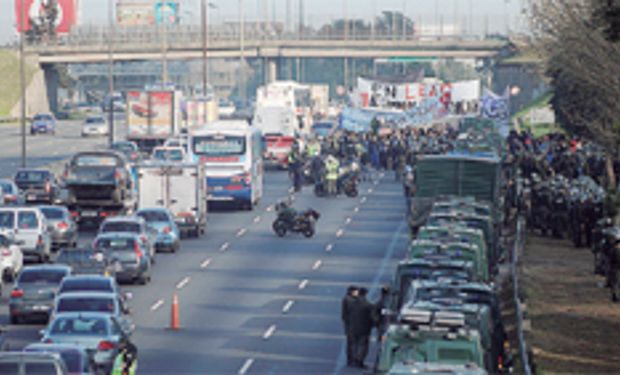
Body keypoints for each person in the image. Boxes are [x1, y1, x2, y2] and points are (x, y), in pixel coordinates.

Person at [348, 287, 374, 368]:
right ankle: (360, 360)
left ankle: (354, 359)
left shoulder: (352, 303)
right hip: (364, 328)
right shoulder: (368, 305)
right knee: (363, 345)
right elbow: (372, 317)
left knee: (355, 344)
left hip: (353, 327)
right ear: (365, 294)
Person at [341, 285, 358, 366]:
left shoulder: (350, 299)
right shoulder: (348, 300)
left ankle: (352, 358)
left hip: (352, 324)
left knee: (352, 343)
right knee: (352, 343)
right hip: (351, 324)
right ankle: (351, 359)